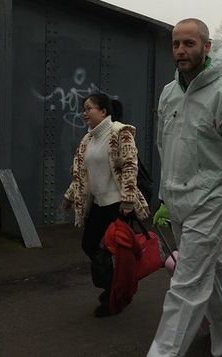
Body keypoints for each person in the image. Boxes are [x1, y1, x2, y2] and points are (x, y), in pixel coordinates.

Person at [147, 19, 222, 357]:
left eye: (189, 44)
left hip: (211, 200)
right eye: (176, 44)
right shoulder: (170, 94)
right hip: (179, 198)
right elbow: (164, 146)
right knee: (212, 271)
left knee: (186, 284)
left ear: (207, 47)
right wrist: (165, 197)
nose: (181, 51)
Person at [62, 93, 150, 317]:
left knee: (109, 252)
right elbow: (82, 175)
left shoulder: (120, 132)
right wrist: (70, 196)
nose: (84, 113)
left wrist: (128, 201)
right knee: (89, 244)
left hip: (118, 204)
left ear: (103, 112)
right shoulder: (87, 140)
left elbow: (131, 166)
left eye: (89, 108)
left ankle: (114, 297)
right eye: (84, 108)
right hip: (99, 203)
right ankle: (117, 285)